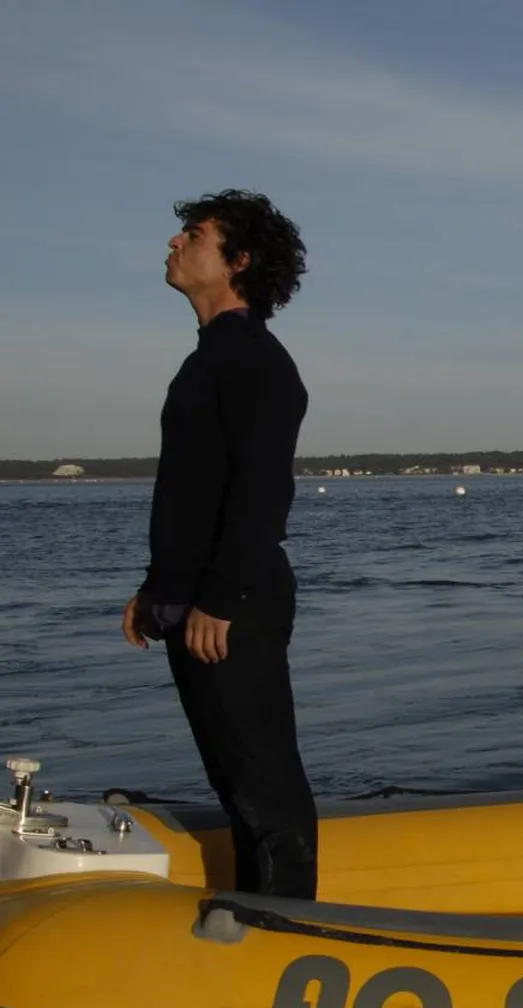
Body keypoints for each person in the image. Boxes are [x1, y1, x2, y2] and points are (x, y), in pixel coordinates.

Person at [120, 190, 318, 899]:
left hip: (235, 607)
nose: (174, 244)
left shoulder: (258, 363)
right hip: (195, 601)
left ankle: (288, 929)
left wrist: (219, 596)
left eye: (193, 235)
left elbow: (262, 495)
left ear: (238, 260)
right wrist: (157, 587)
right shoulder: (204, 360)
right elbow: (193, 490)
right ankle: (255, 915)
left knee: (265, 785)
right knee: (235, 783)